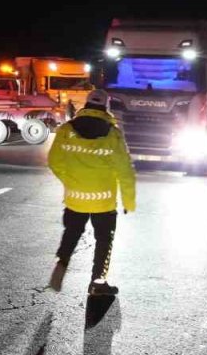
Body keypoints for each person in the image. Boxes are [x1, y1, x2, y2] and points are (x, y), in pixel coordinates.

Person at [47, 89, 136, 296]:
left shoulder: (67, 129)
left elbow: (54, 162)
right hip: (103, 201)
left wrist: (70, 181)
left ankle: (62, 261)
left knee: (72, 232)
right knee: (104, 239)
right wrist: (128, 201)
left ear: (85, 105)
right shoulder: (113, 133)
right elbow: (125, 170)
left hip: (75, 198)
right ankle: (98, 281)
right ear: (106, 107)